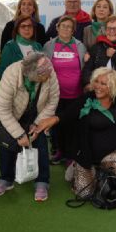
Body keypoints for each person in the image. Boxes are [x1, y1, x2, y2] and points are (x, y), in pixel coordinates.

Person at [0, 52, 60, 201]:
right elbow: (3, 109)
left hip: (37, 113)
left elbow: (53, 100)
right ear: (31, 74)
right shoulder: (11, 73)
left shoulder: (49, 70)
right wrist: (19, 134)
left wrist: (38, 124)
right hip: (13, 113)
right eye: (43, 77)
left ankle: (42, 181)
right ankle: (6, 179)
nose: (48, 78)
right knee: (7, 145)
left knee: (40, 144)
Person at [69, 67, 116, 199]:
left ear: (113, 86)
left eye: (103, 83)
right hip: (86, 156)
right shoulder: (86, 100)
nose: (98, 86)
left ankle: (100, 173)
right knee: (84, 194)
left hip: (110, 154)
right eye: (97, 81)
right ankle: (76, 170)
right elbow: (67, 115)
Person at [42, 15, 87, 164]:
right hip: (55, 94)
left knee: (72, 125)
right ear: (57, 28)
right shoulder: (49, 46)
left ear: (74, 30)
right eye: (63, 26)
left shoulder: (80, 46)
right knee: (57, 125)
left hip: (76, 94)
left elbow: (84, 68)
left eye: (69, 27)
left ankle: (70, 154)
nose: (66, 29)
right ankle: (59, 151)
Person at [0, 15, 43, 80]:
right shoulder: (10, 46)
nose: (27, 29)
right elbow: (0, 74)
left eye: (30, 26)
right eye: (23, 26)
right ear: (17, 29)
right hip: (15, 88)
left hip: (36, 88)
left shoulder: (38, 46)